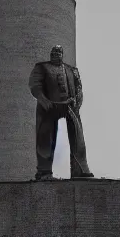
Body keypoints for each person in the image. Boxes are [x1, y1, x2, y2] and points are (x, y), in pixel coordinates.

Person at [28, 44, 93, 180]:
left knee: (77, 137)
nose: (56, 54)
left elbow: (78, 87)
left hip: (69, 106)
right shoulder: (41, 67)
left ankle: (80, 169)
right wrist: (43, 100)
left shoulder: (71, 70)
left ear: (62, 54)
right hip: (49, 107)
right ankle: (44, 172)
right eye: (53, 51)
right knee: (45, 137)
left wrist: (77, 101)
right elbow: (35, 85)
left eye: (58, 52)